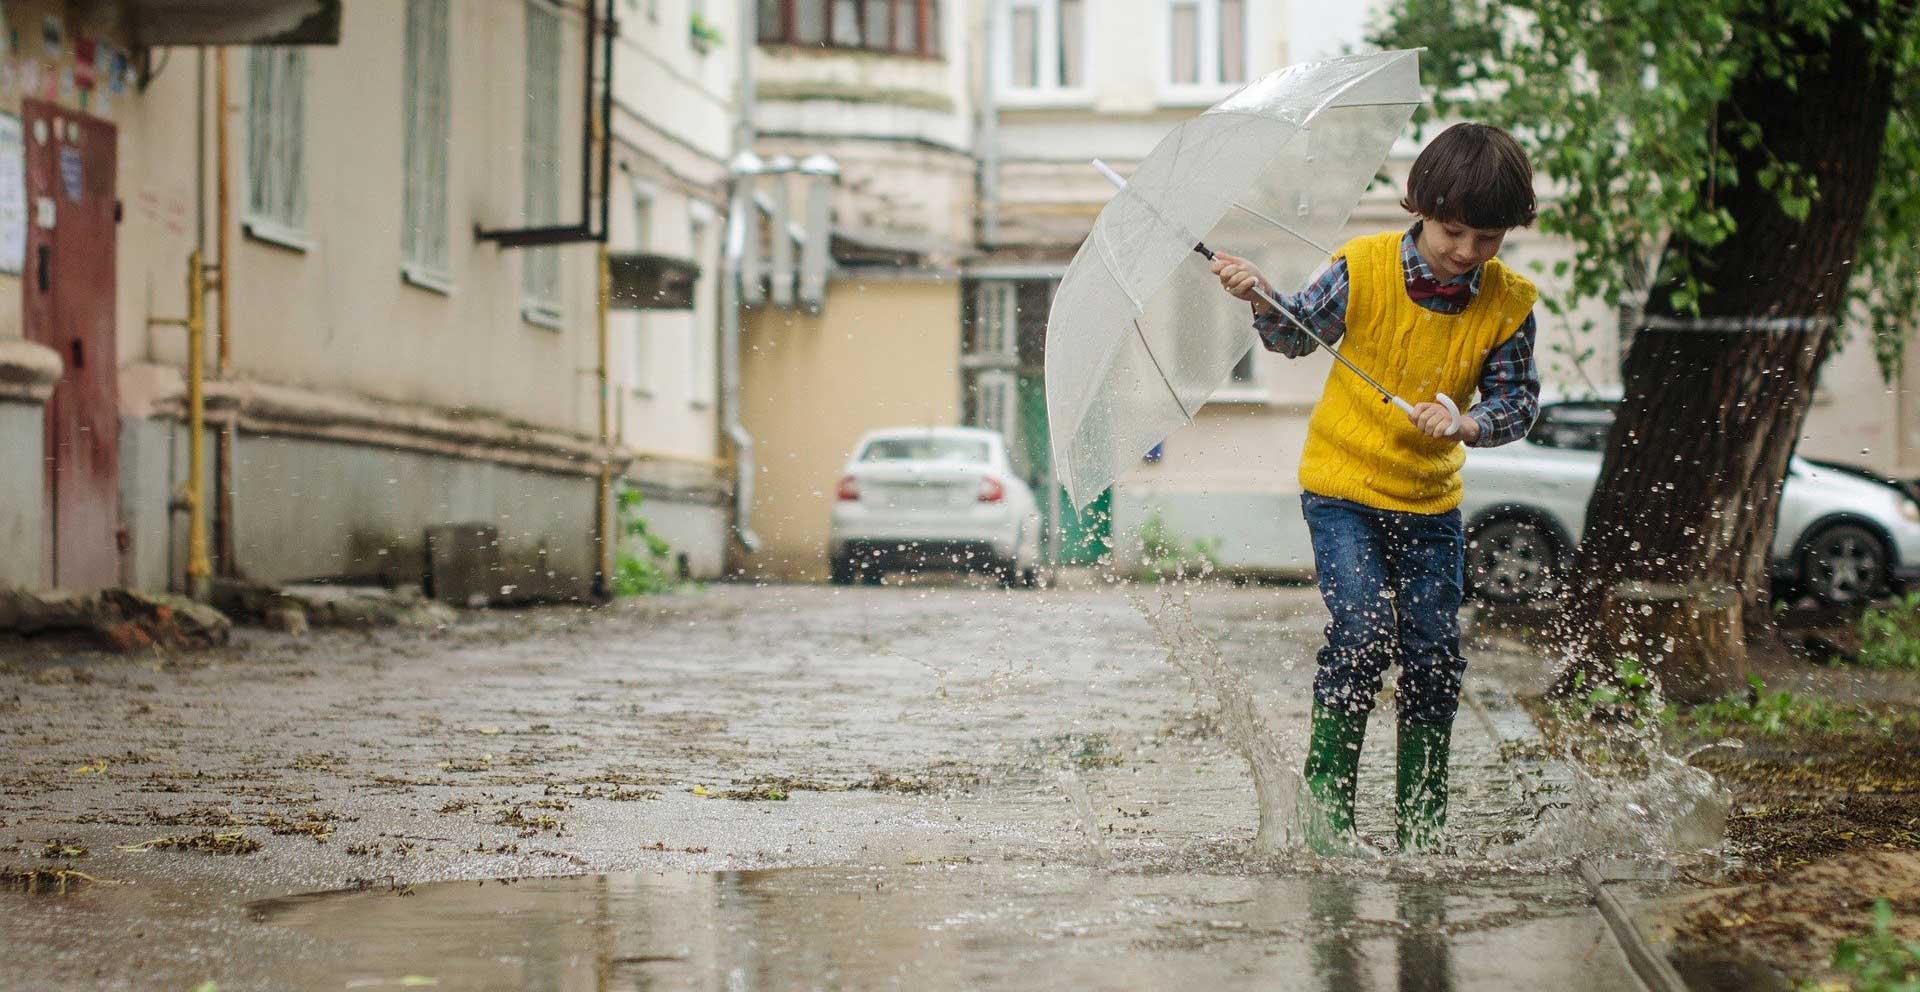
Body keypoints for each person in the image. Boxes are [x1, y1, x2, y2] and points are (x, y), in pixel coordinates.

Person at [1209, 122, 1542, 854]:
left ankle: (1421, 832)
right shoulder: (1361, 268)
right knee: (1360, 638)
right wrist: (1261, 295)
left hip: (1430, 504)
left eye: (1488, 238)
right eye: (1454, 231)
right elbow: (1295, 335)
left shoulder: (1509, 304)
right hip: (1343, 491)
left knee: (1432, 655)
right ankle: (1327, 828)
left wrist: (1469, 423)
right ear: (1418, 206)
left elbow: (1517, 404)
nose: (1467, 252)